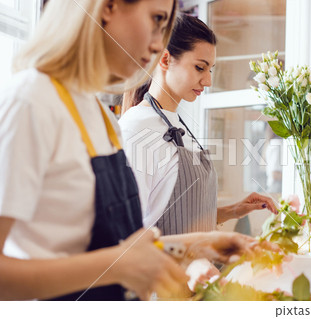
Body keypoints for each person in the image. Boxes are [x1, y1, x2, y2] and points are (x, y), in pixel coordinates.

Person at [0, 0, 268, 301]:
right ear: (108, 7)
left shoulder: (99, 116)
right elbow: (119, 260)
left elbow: (125, 247)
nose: (159, 43)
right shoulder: (29, 103)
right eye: (157, 19)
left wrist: (205, 242)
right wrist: (117, 266)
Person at [119, 14, 278, 236]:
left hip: (198, 270)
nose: (208, 81)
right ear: (165, 60)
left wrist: (234, 210)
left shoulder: (177, 123)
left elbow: (185, 218)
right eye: (200, 68)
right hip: (164, 270)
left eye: (210, 69)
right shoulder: (136, 127)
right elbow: (129, 232)